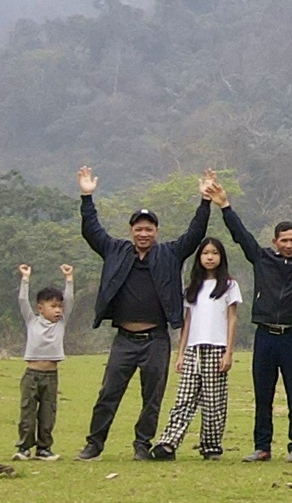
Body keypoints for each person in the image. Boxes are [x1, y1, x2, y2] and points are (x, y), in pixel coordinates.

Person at [75, 165, 212, 461]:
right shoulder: (115, 250)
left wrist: (205, 202)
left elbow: (194, 234)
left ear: (156, 232)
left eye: (149, 228)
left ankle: (142, 445)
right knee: (108, 393)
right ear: (131, 230)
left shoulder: (169, 254)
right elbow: (92, 232)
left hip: (156, 339)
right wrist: (87, 198)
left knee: (152, 397)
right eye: (139, 228)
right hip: (124, 339)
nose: (143, 233)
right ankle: (94, 444)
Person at [213, 173, 292, 463]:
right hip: (265, 335)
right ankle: (262, 446)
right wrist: (225, 206)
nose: (290, 245)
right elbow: (241, 236)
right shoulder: (262, 259)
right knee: (263, 393)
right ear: (275, 241)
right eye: (284, 240)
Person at [150, 237, 242, 459]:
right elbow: (188, 321)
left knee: (213, 401)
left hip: (217, 347)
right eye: (205, 253)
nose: (210, 257)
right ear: (199, 257)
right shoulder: (193, 288)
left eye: (214, 253)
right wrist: (180, 353)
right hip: (193, 349)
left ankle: (211, 447)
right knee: (184, 398)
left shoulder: (229, 285)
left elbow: (232, 319)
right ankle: (168, 443)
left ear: (221, 257)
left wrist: (228, 352)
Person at [13, 263, 74, 460]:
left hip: (51, 375)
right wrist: (25, 278)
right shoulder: (32, 321)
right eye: (53, 306)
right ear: (40, 308)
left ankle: (44, 449)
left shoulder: (61, 324)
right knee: (27, 413)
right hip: (32, 374)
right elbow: (22, 300)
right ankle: (24, 448)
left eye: (60, 307)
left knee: (48, 414)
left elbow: (70, 299)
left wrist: (69, 278)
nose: (58, 310)